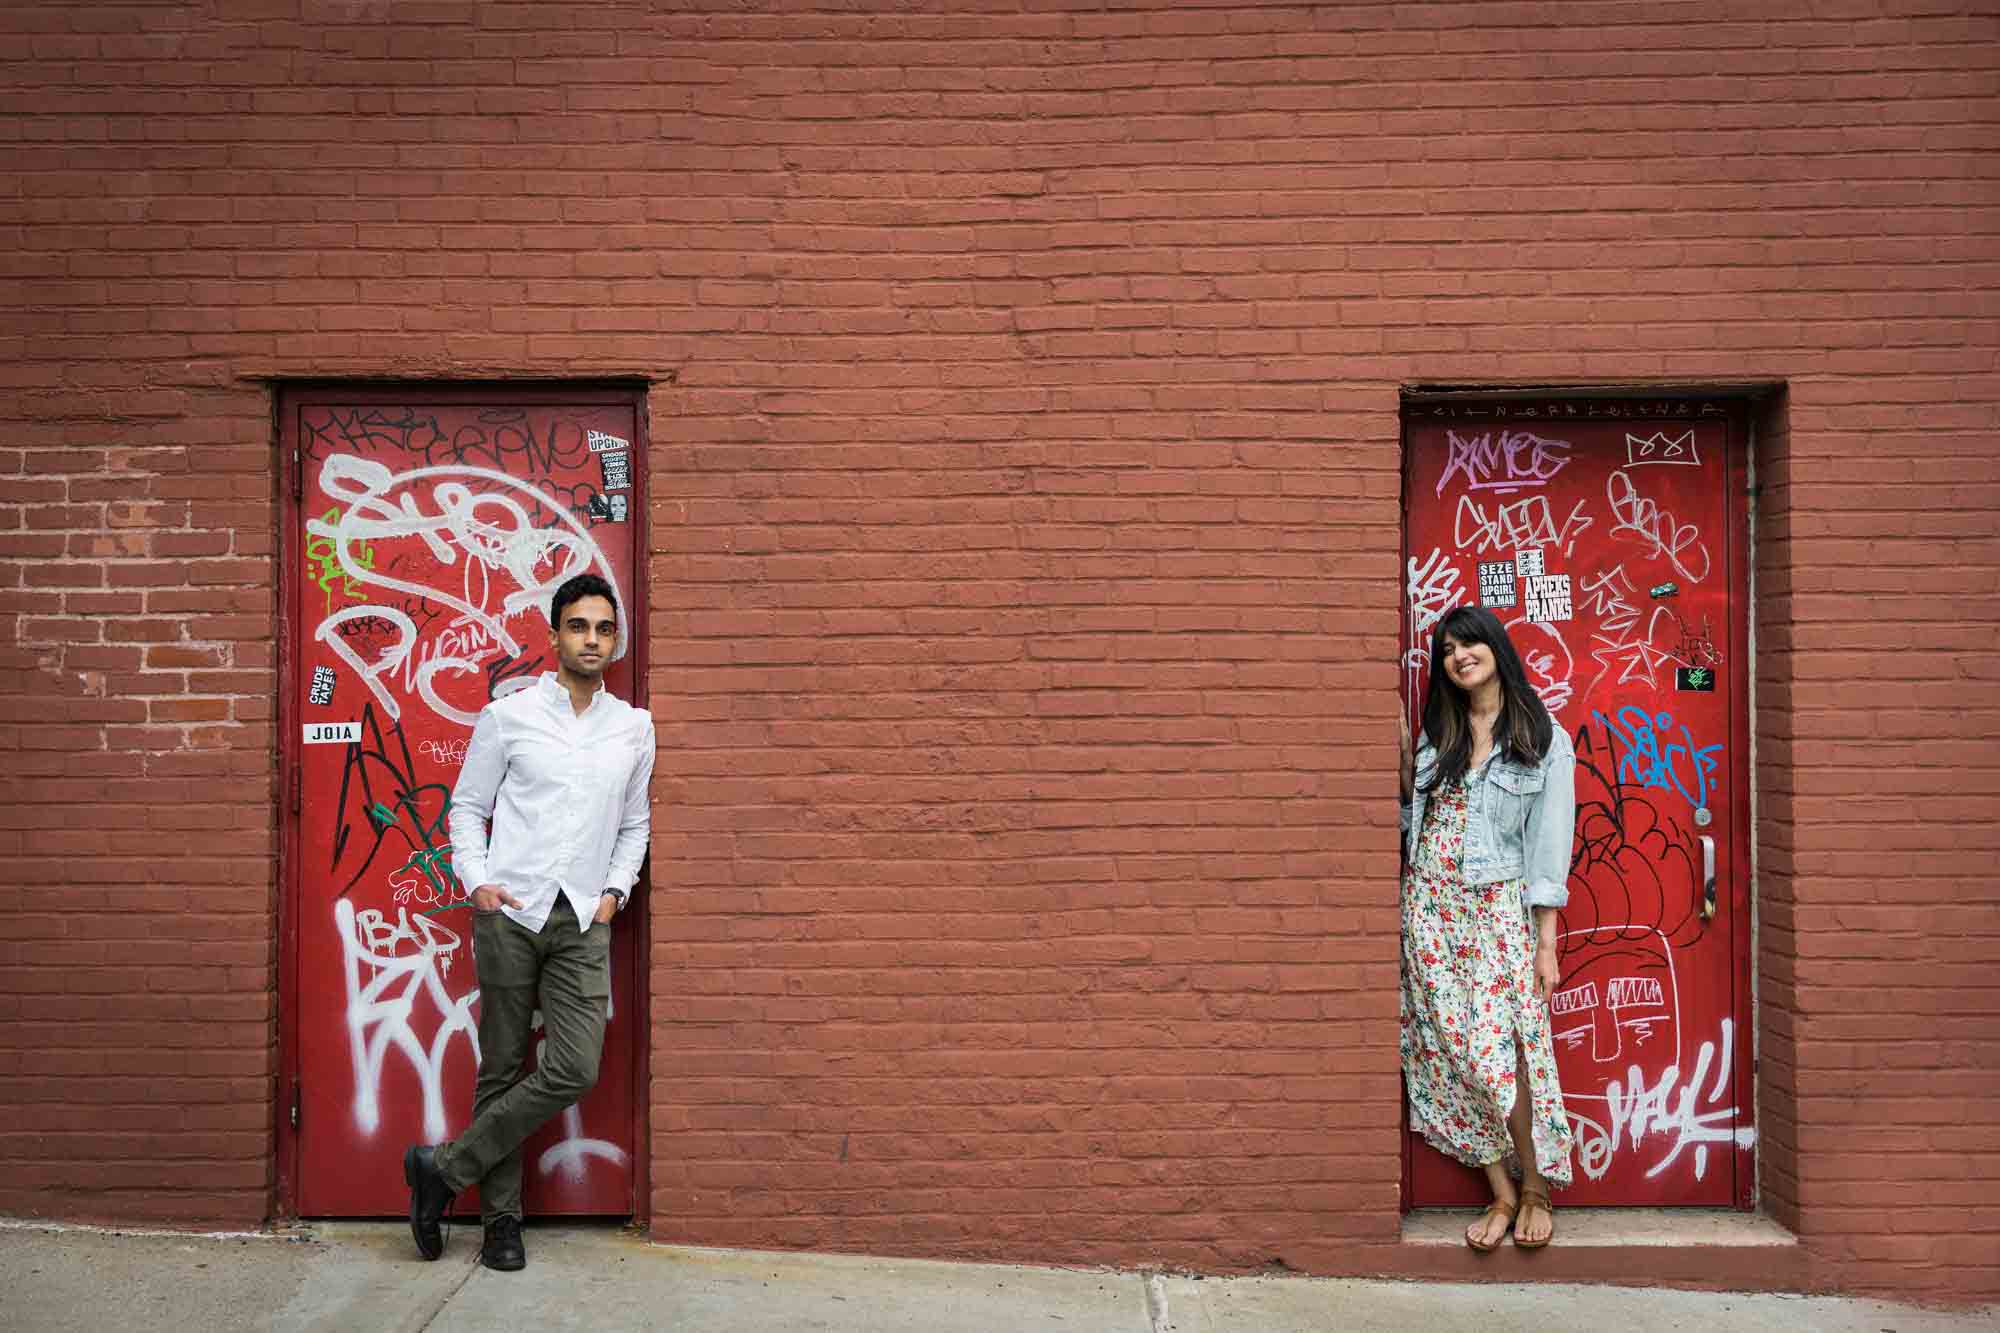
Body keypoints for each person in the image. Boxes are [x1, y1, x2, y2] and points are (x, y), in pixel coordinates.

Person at [403, 572, 655, 1272]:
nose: (593, 639)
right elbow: (465, 806)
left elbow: (635, 823)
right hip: (510, 912)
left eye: (605, 628)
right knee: (504, 1064)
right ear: (554, 636)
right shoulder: (509, 715)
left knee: (574, 1065)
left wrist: (613, 892)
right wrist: (478, 881)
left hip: (583, 917)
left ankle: (442, 1167)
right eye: (579, 626)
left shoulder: (632, 728)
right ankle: (500, 1223)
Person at [1398, 605, 1576, 1251]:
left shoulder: (1541, 735)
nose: (1459, 654)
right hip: (1428, 911)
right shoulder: (1435, 732)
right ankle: (1501, 1190)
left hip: (1495, 908)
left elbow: (1549, 846)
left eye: (1470, 641)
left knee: (1500, 1051)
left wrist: (1546, 944)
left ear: (1497, 647)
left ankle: (1536, 1187)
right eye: (1447, 648)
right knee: (1453, 1054)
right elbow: (1410, 814)